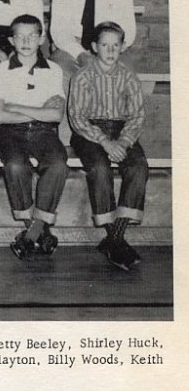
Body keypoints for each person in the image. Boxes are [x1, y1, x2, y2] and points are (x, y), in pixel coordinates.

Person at [68, 21, 148, 272]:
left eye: (116, 45)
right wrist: (104, 141)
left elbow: (136, 117)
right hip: (89, 132)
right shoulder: (83, 76)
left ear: (122, 47)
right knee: (100, 168)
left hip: (122, 130)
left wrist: (122, 142)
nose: (111, 50)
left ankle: (115, 240)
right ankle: (115, 239)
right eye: (105, 45)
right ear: (94, 47)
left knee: (138, 166)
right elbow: (77, 117)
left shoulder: (129, 77)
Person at [0, 14, 68, 259]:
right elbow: (0, 117)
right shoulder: (1, 70)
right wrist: (37, 111)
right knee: (14, 165)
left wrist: (17, 106)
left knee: (57, 164)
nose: (25, 41)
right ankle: (39, 231)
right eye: (19, 36)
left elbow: (55, 116)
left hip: (43, 132)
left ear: (41, 38)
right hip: (9, 133)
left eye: (32, 36)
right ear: (11, 40)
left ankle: (31, 235)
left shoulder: (53, 69)